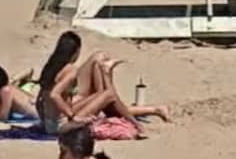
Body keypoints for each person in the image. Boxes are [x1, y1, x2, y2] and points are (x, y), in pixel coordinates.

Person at [34, 31, 168, 138]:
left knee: (102, 86)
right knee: (109, 95)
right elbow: (54, 94)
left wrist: (44, 120)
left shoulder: (51, 68)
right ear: (75, 52)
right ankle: (137, 124)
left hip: (53, 123)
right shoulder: (70, 71)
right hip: (63, 125)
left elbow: (40, 100)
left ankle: (105, 72)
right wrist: (72, 116)